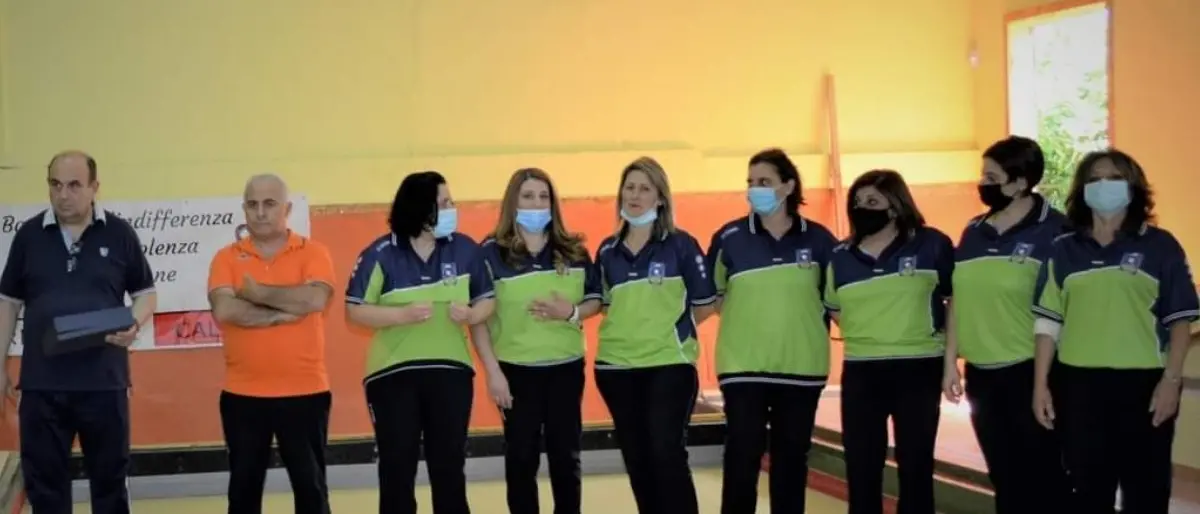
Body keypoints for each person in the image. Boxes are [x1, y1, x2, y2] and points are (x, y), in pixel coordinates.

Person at [1032, 150, 1196, 514]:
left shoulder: (1160, 246)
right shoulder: (1063, 249)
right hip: (1078, 385)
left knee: (1146, 489)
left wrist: (1171, 381)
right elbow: (1048, 323)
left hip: (1145, 386)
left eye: (1113, 178)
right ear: (1082, 190)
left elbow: (1181, 321)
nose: (1103, 186)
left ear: (1133, 187)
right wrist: (1041, 384)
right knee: (1089, 488)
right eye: (1094, 179)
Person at [0, 150, 156, 514]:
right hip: (42, 388)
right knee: (46, 490)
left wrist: (133, 322)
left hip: (104, 385)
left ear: (94, 187)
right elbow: (7, 303)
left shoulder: (119, 233)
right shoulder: (28, 236)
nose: (63, 194)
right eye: (55, 185)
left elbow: (146, 294)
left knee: (110, 487)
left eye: (73, 185)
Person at [344, 171, 494, 514]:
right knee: (397, 468)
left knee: (449, 468)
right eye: (443, 203)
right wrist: (400, 315)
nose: (451, 208)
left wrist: (471, 315)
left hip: (451, 371)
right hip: (391, 374)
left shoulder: (466, 248)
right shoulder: (381, 252)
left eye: (450, 202)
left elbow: (488, 300)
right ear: (419, 207)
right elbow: (354, 310)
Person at [942, 136, 1071, 513]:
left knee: (1047, 477)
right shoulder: (973, 230)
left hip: (1034, 371)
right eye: (983, 174)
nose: (983, 183)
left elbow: (1066, 307)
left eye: (992, 176)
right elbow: (958, 300)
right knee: (1004, 477)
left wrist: (1045, 381)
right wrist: (951, 362)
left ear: (1019, 182)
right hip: (982, 375)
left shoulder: (1056, 230)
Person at [706, 148, 837, 514]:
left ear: (788, 186)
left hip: (802, 370)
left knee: (791, 463)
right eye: (750, 182)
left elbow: (838, 302)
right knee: (741, 457)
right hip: (742, 368)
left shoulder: (820, 240)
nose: (754, 189)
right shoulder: (729, 238)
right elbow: (709, 298)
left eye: (764, 182)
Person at [471, 168, 604, 514]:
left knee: (566, 458)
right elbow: (478, 320)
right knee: (520, 460)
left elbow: (595, 300)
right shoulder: (489, 253)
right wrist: (493, 372)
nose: (537, 204)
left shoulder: (573, 250)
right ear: (513, 201)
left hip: (566, 369)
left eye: (544, 197)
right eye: (528, 196)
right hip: (515, 373)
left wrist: (571, 311)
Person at [824, 169, 954, 514]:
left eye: (872, 202)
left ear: (895, 206)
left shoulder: (932, 244)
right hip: (862, 369)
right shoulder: (841, 256)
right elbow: (835, 308)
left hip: (919, 367)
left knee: (916, 464)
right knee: (862, 465)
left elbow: (955, 302)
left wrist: (950, 361)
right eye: (858, 202)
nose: (862, 208)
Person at [593, 156, 717, 514]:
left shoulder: (681, 245)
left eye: (645, 188)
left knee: (666, 451)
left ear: (660, 198)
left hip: (668, 365)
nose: (635, 195)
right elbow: (601, 304)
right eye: (629, 187)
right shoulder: (606, 250)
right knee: (637, 457)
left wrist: (667, 330)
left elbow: (705, 304)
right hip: (616, 369)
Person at [206, 174, 336, 514]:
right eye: (252, 204)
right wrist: (281, 313)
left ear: (287, 209)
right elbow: (226, 308)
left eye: (269, 204)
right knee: (243, 495)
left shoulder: (314, 252)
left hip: (305, 393)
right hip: (242, 395)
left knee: (311, 492)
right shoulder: (226, 257)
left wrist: (258, 293)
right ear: (244, 209)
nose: (260, 212)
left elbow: (314, 300)